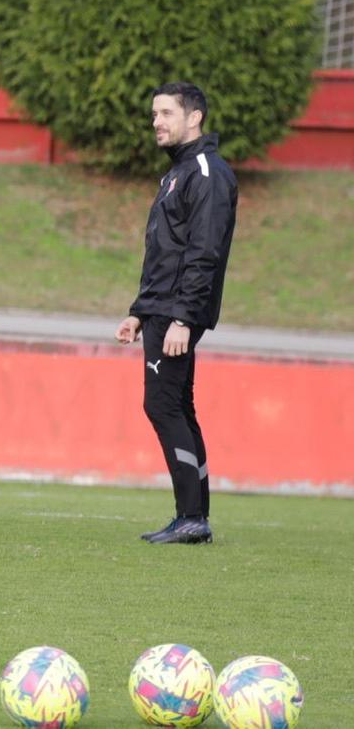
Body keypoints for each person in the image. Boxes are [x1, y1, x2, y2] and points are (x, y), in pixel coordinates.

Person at [115, 81, 236, 546]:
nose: (157, 123)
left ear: (195, 117)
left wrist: (183, 318)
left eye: (166, 113)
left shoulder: (206, 172)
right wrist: (140, 313)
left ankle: (191, 517)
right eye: (154, 115)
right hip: (163, 309)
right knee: (179, 405)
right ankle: (194, 516)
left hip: (179, 313)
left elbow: (204, 251)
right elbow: (166, 253)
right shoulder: (179, 173)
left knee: (161, 404)